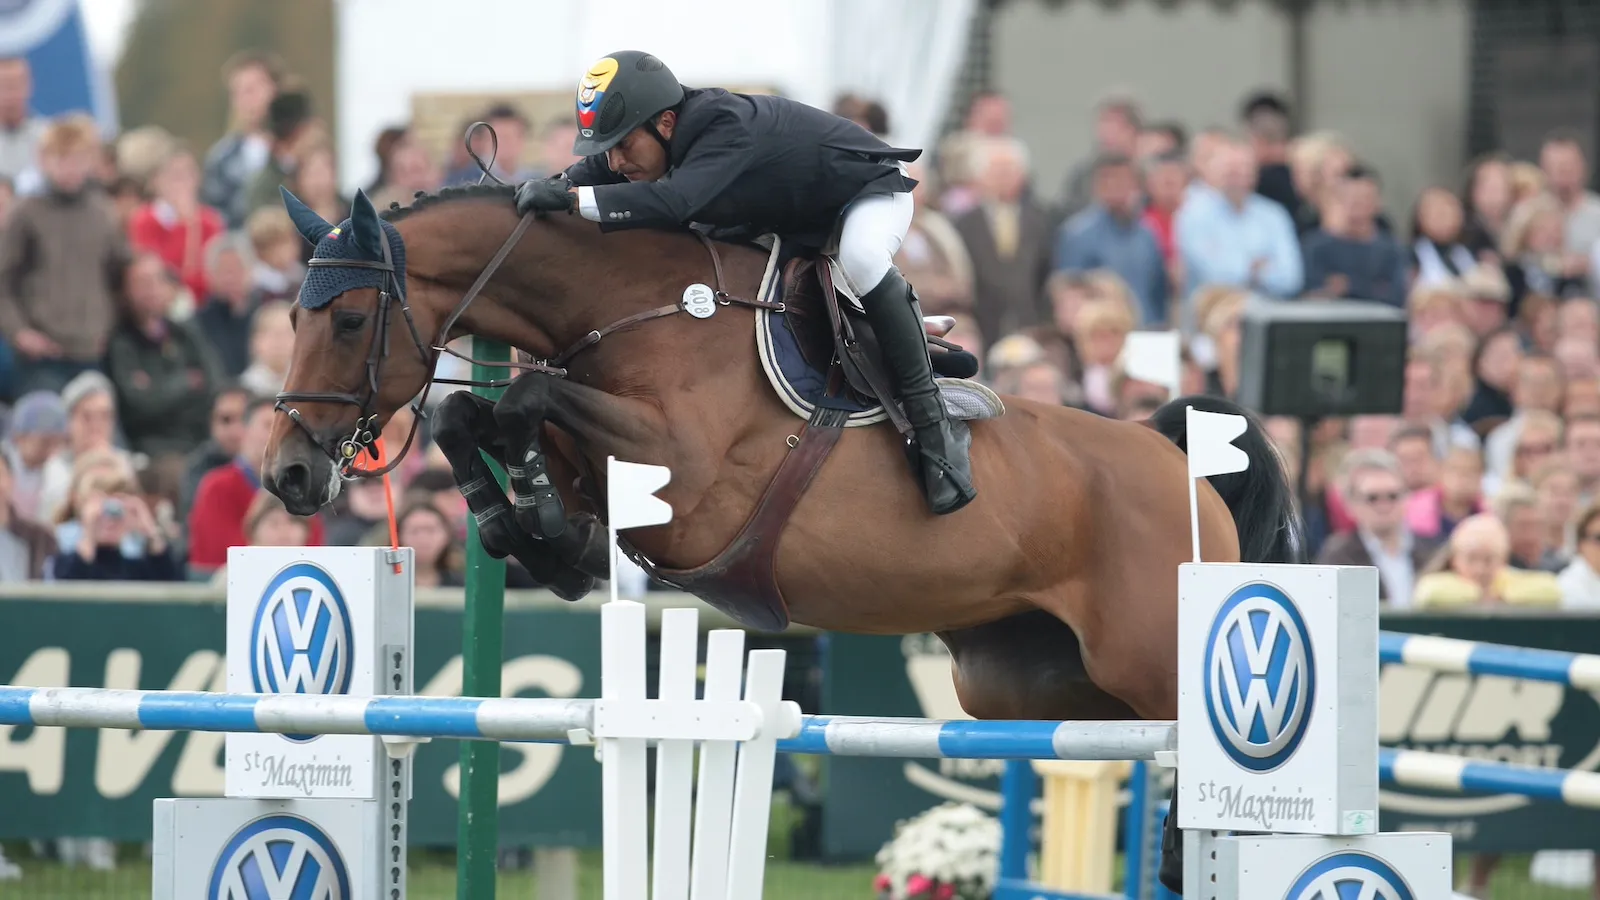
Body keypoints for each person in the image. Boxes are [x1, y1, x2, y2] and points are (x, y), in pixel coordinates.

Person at [513, 51, 972, 515]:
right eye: (607, 149)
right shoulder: (643, 134)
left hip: (863, 194)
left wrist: (572, 200)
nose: (614, 162)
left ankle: (933, 425)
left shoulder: (723, 125)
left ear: (666, 123)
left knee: (863, 258)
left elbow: (674, 202)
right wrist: (526, 197)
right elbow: (570, 183)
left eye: (624, 145)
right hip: (794, 218)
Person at [1315, 449, 1441, 605]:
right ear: (1350, 504)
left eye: (1392, 496)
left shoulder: (1434, 551)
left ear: (1407, 498)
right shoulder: (1337, 557)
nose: (1384, 505)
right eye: (1372, 498)